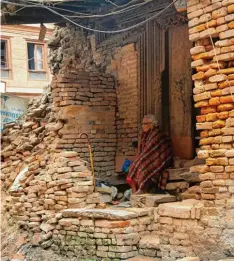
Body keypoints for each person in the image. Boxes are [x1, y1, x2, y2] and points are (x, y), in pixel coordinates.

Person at [126, 114, 173, 194]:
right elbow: (144, 152)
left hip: (160, 160)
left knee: (142, 165)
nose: (143, 126)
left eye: (145, 124)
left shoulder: (158, 135)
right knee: (133, 167)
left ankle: (142, 188)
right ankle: (134, 192)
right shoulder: (144, 135)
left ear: (152, 124)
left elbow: (152, 151)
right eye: (142, 124)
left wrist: (141, 159)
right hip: (148, 158)